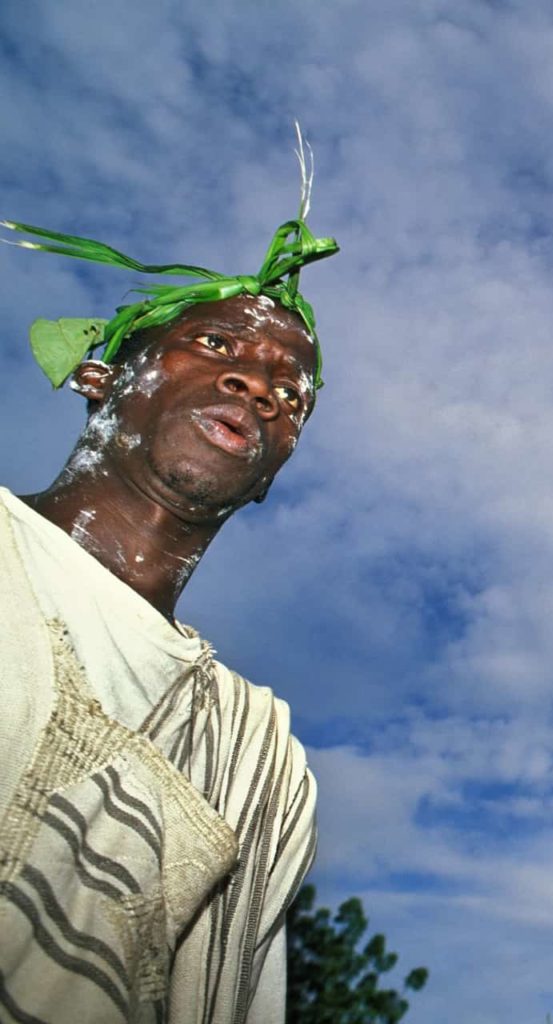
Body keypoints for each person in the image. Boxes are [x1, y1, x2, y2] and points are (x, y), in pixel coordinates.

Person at [0, 145, 338, 1023]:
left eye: (292, 394)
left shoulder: (258, 757)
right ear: (101, 377)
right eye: (218, 345)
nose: (258, 385)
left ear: (276, 469)